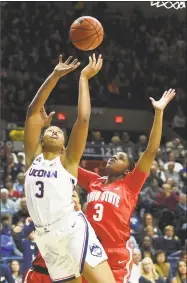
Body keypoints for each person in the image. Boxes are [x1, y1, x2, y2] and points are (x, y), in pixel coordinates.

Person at [24, 53, 116, 283]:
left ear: (65, 146)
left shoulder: (67, 162)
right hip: (46, 237)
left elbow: (83, 119)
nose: (55, 130)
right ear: (41, 139)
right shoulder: (32, 158)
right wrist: (54, 75)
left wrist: (83, 79)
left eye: (59, 132)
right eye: (50, 130)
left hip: (71, 228)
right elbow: (33, 111)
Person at [78, 89, 176, 283]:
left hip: (115, 253)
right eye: (114, 155)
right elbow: (69, 162)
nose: (114, 156)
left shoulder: (130, 184)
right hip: (88, 249)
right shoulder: (93, 181)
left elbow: (151, 150)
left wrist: (159, 112)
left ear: (127, 171)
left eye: (121, 157)